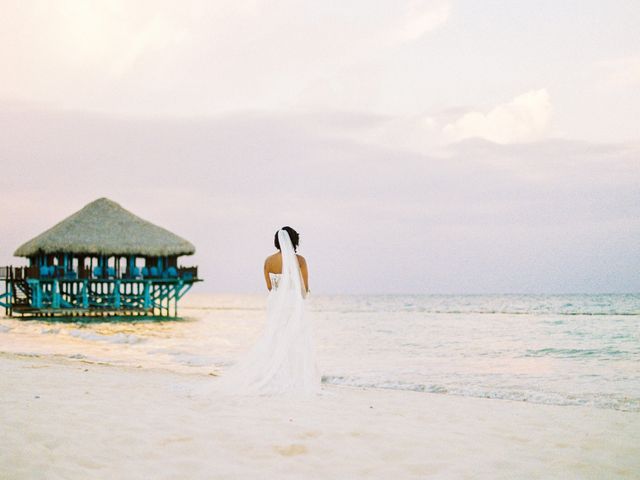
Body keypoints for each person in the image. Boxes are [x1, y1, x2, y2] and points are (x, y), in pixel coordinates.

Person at [219, 226, 320, 395]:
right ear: (295, 240)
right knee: (293, 338)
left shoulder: (268, 261)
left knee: (275, 336)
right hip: (292, 302)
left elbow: (269, 287)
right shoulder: (300, 260)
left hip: (275, 302)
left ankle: (271, 374)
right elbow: (304, 290)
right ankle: (292, 376)